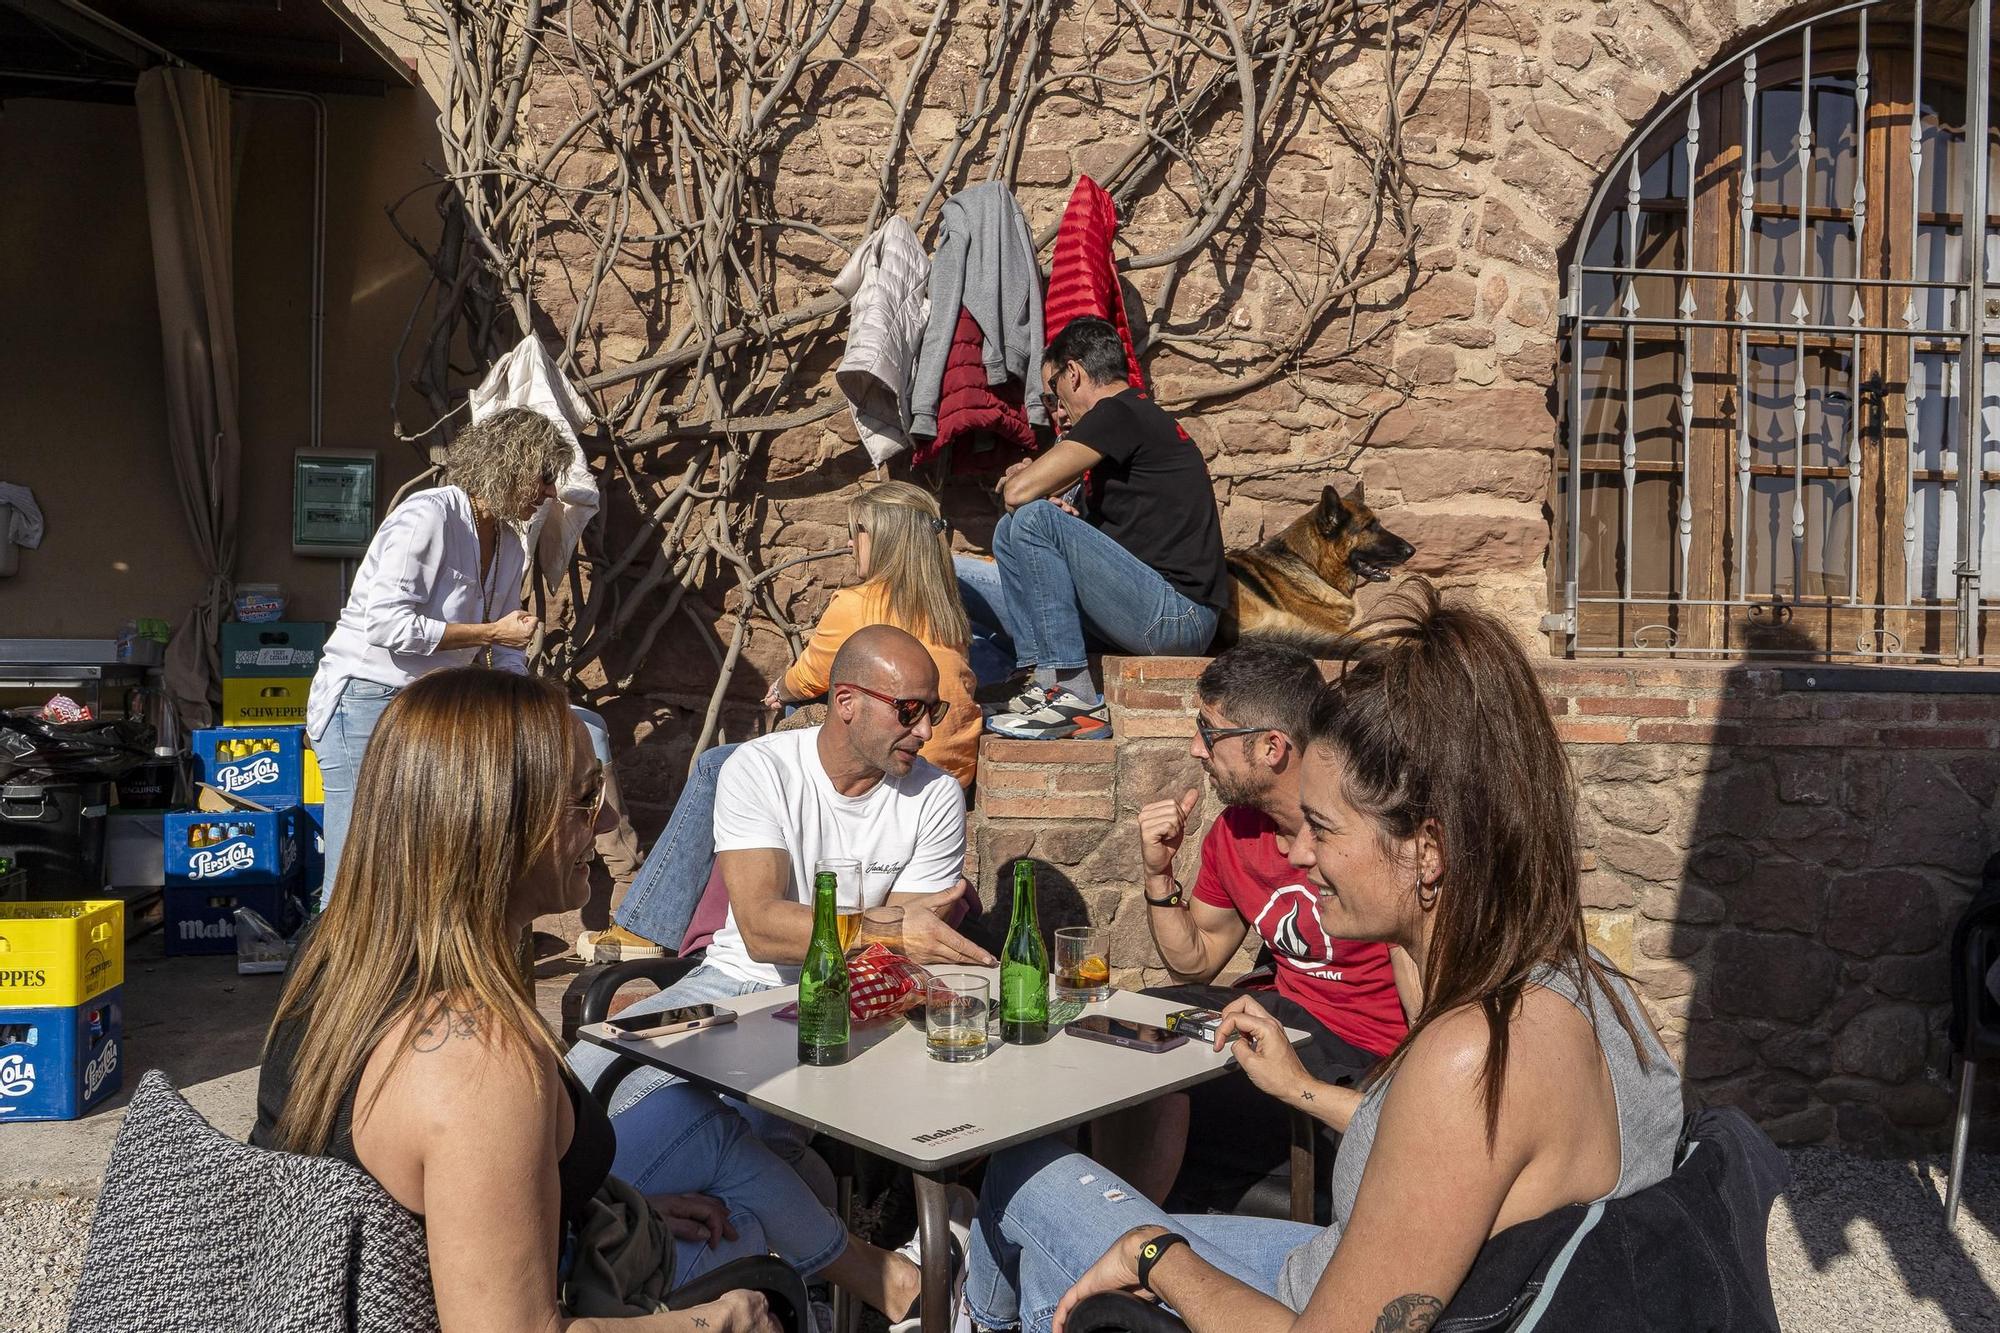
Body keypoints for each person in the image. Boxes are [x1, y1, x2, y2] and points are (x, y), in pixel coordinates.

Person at [964, 579, 1683, 1333]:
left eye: (1324, 827)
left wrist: (1157, 1254)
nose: (1300, 854)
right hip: (1348, 1265)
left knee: (1024, 1176)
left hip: (1321, 1299)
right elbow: (1444, 1162)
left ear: (1428, 849)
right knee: (1064, 1252)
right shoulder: (1578, 985)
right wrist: (1300, 1089)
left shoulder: (1470, 1053)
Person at [253, 668, 932, 1331]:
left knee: (720, 1177)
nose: (606, 816)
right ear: (495, 822)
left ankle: (882, 1279)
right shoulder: (475, 1061)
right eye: (583, 798)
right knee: (755, 1272)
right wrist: (715, 1320)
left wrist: (591, 1207)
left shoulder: (338, 951)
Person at [570, 626, 996, 1197]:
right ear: (845, 702)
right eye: (909, 710)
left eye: (933, 711)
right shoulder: (760, 767)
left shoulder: (936, 795)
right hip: (731, 983)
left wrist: (885, 938)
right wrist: (888, 930)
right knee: (578, 1089)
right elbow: (763, 929)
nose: (924, 731)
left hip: (845, 1001)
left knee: (739, 1142)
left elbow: (888, 960)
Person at [583, 483, 984, 964]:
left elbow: (815, 672)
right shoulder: (947, 609)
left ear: (882, 540)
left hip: (890, 749)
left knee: (718, 765)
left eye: (857, 532)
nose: (850, 543)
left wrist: (780, 690)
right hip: (949, 758)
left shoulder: (859, 604)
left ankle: (647, 923)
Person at [1090, 641, 1414, 1214]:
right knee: (1118, 1026)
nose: (1195, 749)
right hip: (1282, 1015)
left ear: (1271, 747)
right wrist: (1159, 874)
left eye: (1208, 733)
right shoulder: (1236, 831)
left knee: (1160, 1080)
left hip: (1363, 1050)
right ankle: (1105, 1225)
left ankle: (1125, 1238)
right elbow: (1196, 961)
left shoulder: (1370, 832)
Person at [306, 408, 567, 896]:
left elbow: (509, 641)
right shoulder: (429, 515)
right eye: (545, 476)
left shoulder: (510, 543)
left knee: (415, 860)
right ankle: (323, 970)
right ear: (509, 465)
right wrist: (491, 633)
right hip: (365, 701)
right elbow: (386, 623)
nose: (550, 491)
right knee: (357, 870)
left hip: (430, 709)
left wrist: (524, 690)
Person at [969, 316, 1228, 741]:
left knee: (1030, 515)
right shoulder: (1133, 420)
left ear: (1074, 373)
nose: (1058, 407)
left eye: (1055, 390)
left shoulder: (1117, 411)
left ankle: (1074, 697)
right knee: (1010, 531)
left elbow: (1018, 492)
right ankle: (1042, 681)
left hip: (1177, 616)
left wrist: (1032, 479)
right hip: (1150, 606)